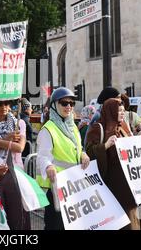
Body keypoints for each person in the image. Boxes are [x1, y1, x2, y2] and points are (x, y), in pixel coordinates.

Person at [37, 87, 90, 230]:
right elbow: (42, 155)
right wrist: (48, 166)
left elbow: (77, 148)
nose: (69, 107)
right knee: (56, 226)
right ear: (54, 105)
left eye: (72, 103)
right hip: (57, 188)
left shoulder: (73, 127)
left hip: (74, 186)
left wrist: (83, 154)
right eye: (64, 103)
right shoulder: (48, 129)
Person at [86, 98, 141, 230]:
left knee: (130, 219)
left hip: (128, 186)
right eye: (119, 111)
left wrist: (140, 138)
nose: (122, 113)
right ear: (110, 111)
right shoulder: (98, 128)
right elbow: (89, 152)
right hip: (111, 186)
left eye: (123, 111)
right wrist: (105, 145)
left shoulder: (122, 128)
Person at [0, 100, 30, 230]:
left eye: (6, 104)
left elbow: (19, 148)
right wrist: (7, 139)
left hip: (15, 173)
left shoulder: (18, 123)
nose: (3, 107)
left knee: (17, 215)